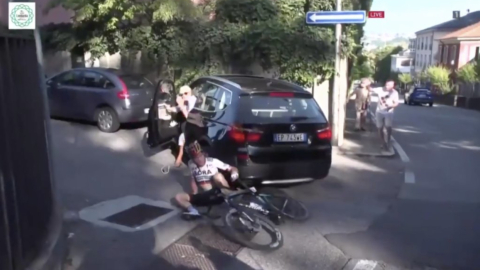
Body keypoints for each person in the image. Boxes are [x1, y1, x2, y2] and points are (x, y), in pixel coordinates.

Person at [174, 141, 239, 216]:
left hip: (217, 192)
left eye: (200, 156)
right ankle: (193, 211)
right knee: (178, 197)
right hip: (205, 195)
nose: (199, 159)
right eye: (196, 158)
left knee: (217, 176)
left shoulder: (212, 161)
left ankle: (232, 199)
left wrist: (234, 173)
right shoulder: (191, 163)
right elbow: (193, 179)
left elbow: (232, 168)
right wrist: (194, 193)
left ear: (204, 154)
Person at [367, 79, 399, 150]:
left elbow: (396, 103)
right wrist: (368, 83)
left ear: (393, 86)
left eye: (390, 85)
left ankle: (388, 140)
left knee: (388, 127)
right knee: (379, 128)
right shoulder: (380, 89)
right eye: (387, 84)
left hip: (389, 112)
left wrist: (391, 106)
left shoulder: (395, 93)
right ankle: (382, 142)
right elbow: (370, 89)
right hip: (379, 111)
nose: (387, 86)